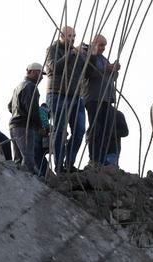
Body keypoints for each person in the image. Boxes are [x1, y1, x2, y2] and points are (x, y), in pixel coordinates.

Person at [43, 26, 88, 172]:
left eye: (74, 36)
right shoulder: (52, 49)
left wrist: (90, 55)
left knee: (80, 130)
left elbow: (88, 73)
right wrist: (72, 54)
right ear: (61, 36)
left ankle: (68, 163)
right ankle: (58, 165)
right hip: (57, 94)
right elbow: (53, 68)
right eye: (69, 36)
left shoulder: (77, 53)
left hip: (76, 96)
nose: (72, 39)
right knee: (60, 130)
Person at [82, 34, 119, 165]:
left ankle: (101, 158)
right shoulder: (88, 56)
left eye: (104, 46)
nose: (103, 48)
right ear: (94, 43)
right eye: (101, 45)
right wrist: (107, 68)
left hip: (106, 98)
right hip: (94, 97)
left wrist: (114, 70)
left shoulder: (103, 59)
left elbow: (111, 78)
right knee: (95, 128)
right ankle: (94, 158)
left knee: (105, 130)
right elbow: (89, 73)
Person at [8, 63, 48, 173]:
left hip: (14, 126)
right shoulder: (31, 86)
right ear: (32, 72)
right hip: (23, 126)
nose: (42, 77)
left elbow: (10, 106)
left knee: (18, 159)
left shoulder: (19, 86)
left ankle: (17, 180)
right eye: (40, 73)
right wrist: (40, 127)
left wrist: (17, 112)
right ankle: (29, 181)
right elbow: (32, 110)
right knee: (28, 159)